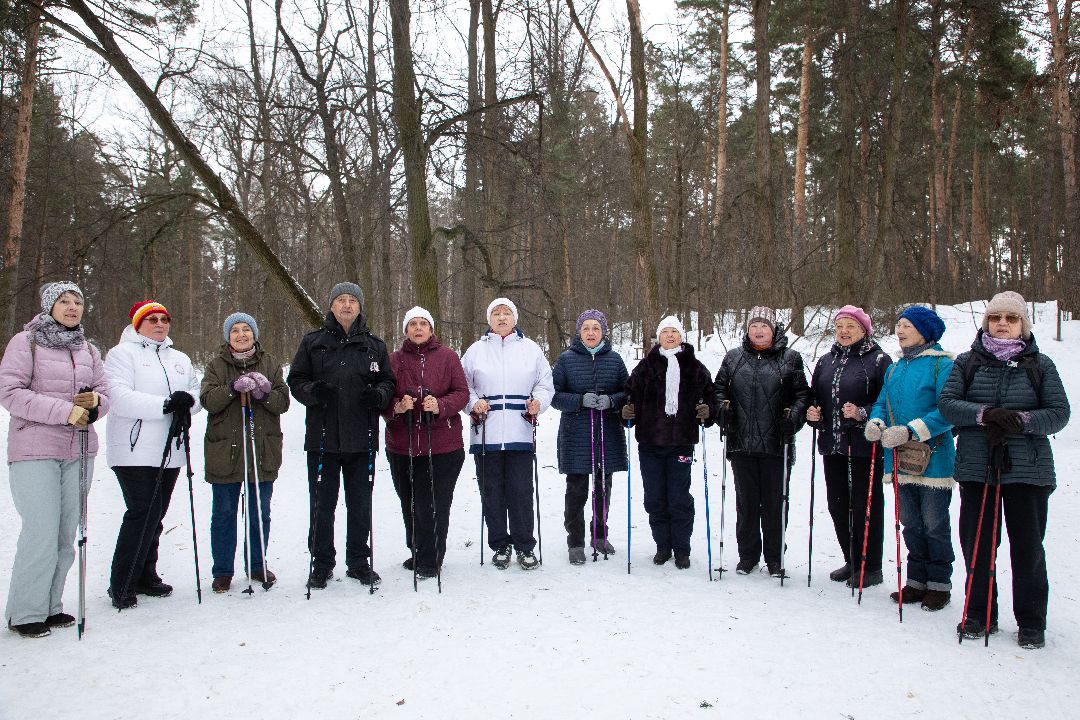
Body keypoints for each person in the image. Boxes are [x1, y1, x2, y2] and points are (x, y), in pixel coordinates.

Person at [939, 291, 1070, 648]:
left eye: (1011, 319)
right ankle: (979, 613)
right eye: (995, 317)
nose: (1002, 323)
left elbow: (1059, 413)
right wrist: (984, 414)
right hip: (977, 467)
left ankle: (1031, 621)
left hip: (1028, 470)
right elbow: (948, 405)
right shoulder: (967, 362)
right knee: (978, 545)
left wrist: (1020, 420)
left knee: (1028, 548)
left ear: (1022, 325)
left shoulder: (1040, 365)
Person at [0, 282, 108, 637]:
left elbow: (104, 393)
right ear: (49, 306)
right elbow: (10, 392)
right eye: (64, 301)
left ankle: (50, 606)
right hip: (35, 450)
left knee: (65, 534)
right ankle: (25, 612)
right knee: (41, 532)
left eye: (78, 301)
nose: (72, 307)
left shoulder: (88, 348)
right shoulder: (26, 342)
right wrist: (65, 411)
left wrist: (94, 405)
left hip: (79, 451)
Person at [288, 282, 395, 589]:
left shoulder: (375, 345)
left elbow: (388, 381)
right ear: (332, 306)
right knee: (322, 505)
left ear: (360, 306)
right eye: (341, 300)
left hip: (362, 438)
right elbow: (296, 380)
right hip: (323, 438)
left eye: (352, 300)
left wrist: (379, 395)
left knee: (360, 505)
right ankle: (321, 564)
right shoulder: (313, 342)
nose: (347, 305)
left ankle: (358, 561)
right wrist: (313, 391)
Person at [105, 300, 201, 609]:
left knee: (155, 515)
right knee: (142, 513)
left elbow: (195, 395)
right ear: (138, 324)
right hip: (133, 450)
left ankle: (146, 575)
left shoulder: (180, 358)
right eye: (152, 319)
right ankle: (122, 582)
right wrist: (165, 404)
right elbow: (119, 397)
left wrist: (187, 402)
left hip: (170, 450)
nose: (160, 324)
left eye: (164, 319)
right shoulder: (122, 354)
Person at [866, 305, 955, 611]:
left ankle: (939, 583)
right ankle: (916, 581)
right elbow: (881, 402)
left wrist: (910, 431)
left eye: (907, 325)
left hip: (934, 458)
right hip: (899, 458)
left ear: (925, 331)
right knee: (910, 522)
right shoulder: (894, 368)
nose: (900, 330)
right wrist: (876, 422)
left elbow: (947, 410)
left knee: (934, 523)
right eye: (899, 325)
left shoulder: (942, 365)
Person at [714, 307, 810, 578]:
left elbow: (802, 395)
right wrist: (722, 409)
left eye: (764, 326)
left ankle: (775, 558)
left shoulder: (790, 358)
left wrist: (794, 417)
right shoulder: (733, 358)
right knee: (746, 504)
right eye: (754, 326)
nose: (758, 330)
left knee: (774, 505)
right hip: (741, 443)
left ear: (774, 329)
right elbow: (718, 389)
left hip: (776, 444)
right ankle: (747, 556)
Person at [200, 312, 290, 593]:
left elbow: (283, 402)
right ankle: (223, 570)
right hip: (225, 451)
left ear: (254, 334)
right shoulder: (216, 365)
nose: (241, 335)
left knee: (259, 511)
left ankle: (256, 563)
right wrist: (231, 388)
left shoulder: (270, 363)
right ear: (228, 337)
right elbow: (208, 400)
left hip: (261, 449)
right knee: (224, 513)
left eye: (246, 330)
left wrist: (264, 393)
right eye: (235, 330)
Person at [462, 298, 554, 571]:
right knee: (491, 493)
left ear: (514, 318)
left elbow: (545, 383)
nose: (501, 318)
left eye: (506, 313)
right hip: (486, 433)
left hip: (520, 433)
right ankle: (500, 544)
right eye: (496, 314)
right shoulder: (475, 351)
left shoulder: (531, 349)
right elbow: (462, 385)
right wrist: (474, 402)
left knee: (521, 492)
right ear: (489, 319)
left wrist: (538, 402)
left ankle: (525, 546)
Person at [805, 305, 891, 587]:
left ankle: (871, 566)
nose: (844, 331)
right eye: (839, 326)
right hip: (832, 444)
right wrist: (812, 412)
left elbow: (888, 403)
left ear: (864, 330)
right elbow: (815, 396)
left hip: (863, 446)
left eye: (850, 326)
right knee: (838, 505)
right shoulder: (826, 360)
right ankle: (852, 560)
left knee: (865, 506)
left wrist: (863, 412)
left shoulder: (878, 360)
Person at [623, 315, 714, 569]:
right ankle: (663, 546)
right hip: (650, 444)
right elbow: (629, 395)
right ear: (659, 337)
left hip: (681, 443)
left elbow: (710, 398)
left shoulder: (695, 368)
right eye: (665, 332)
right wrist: (627, 412)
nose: (670, 336)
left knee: (678, 498)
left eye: (674, 331)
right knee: (655, 499)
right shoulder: (645, 367)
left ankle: (682, 549)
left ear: (681, 336)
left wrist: (707, 411)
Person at [384, 307, 468, 578]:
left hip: (442, 445)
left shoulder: (448, 357)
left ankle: (432, 558)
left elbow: (462, 393)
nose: (418, 328)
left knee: (433, 503)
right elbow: (382, 396)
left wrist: (441, 405)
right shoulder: (393, 360)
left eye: (423, 324)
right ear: (406, 330)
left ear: (431, 330)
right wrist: (397, 406)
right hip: (402, 445)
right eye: (413, 324)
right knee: (409, 502)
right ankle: (418, 550)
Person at [552, 310, 628, 565]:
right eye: (586, 328)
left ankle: (599, 535)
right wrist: (579, 400)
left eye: (596, 328)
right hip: (576, 435)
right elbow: (554, 395)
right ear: (579, 332)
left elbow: (628, 393)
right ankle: (575, 542)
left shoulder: (615, 360)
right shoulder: (566, 360)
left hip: (607, 434)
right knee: (576, 491)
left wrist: (612, 401)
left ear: (603, 331)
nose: (591, 332)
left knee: (603, 489)